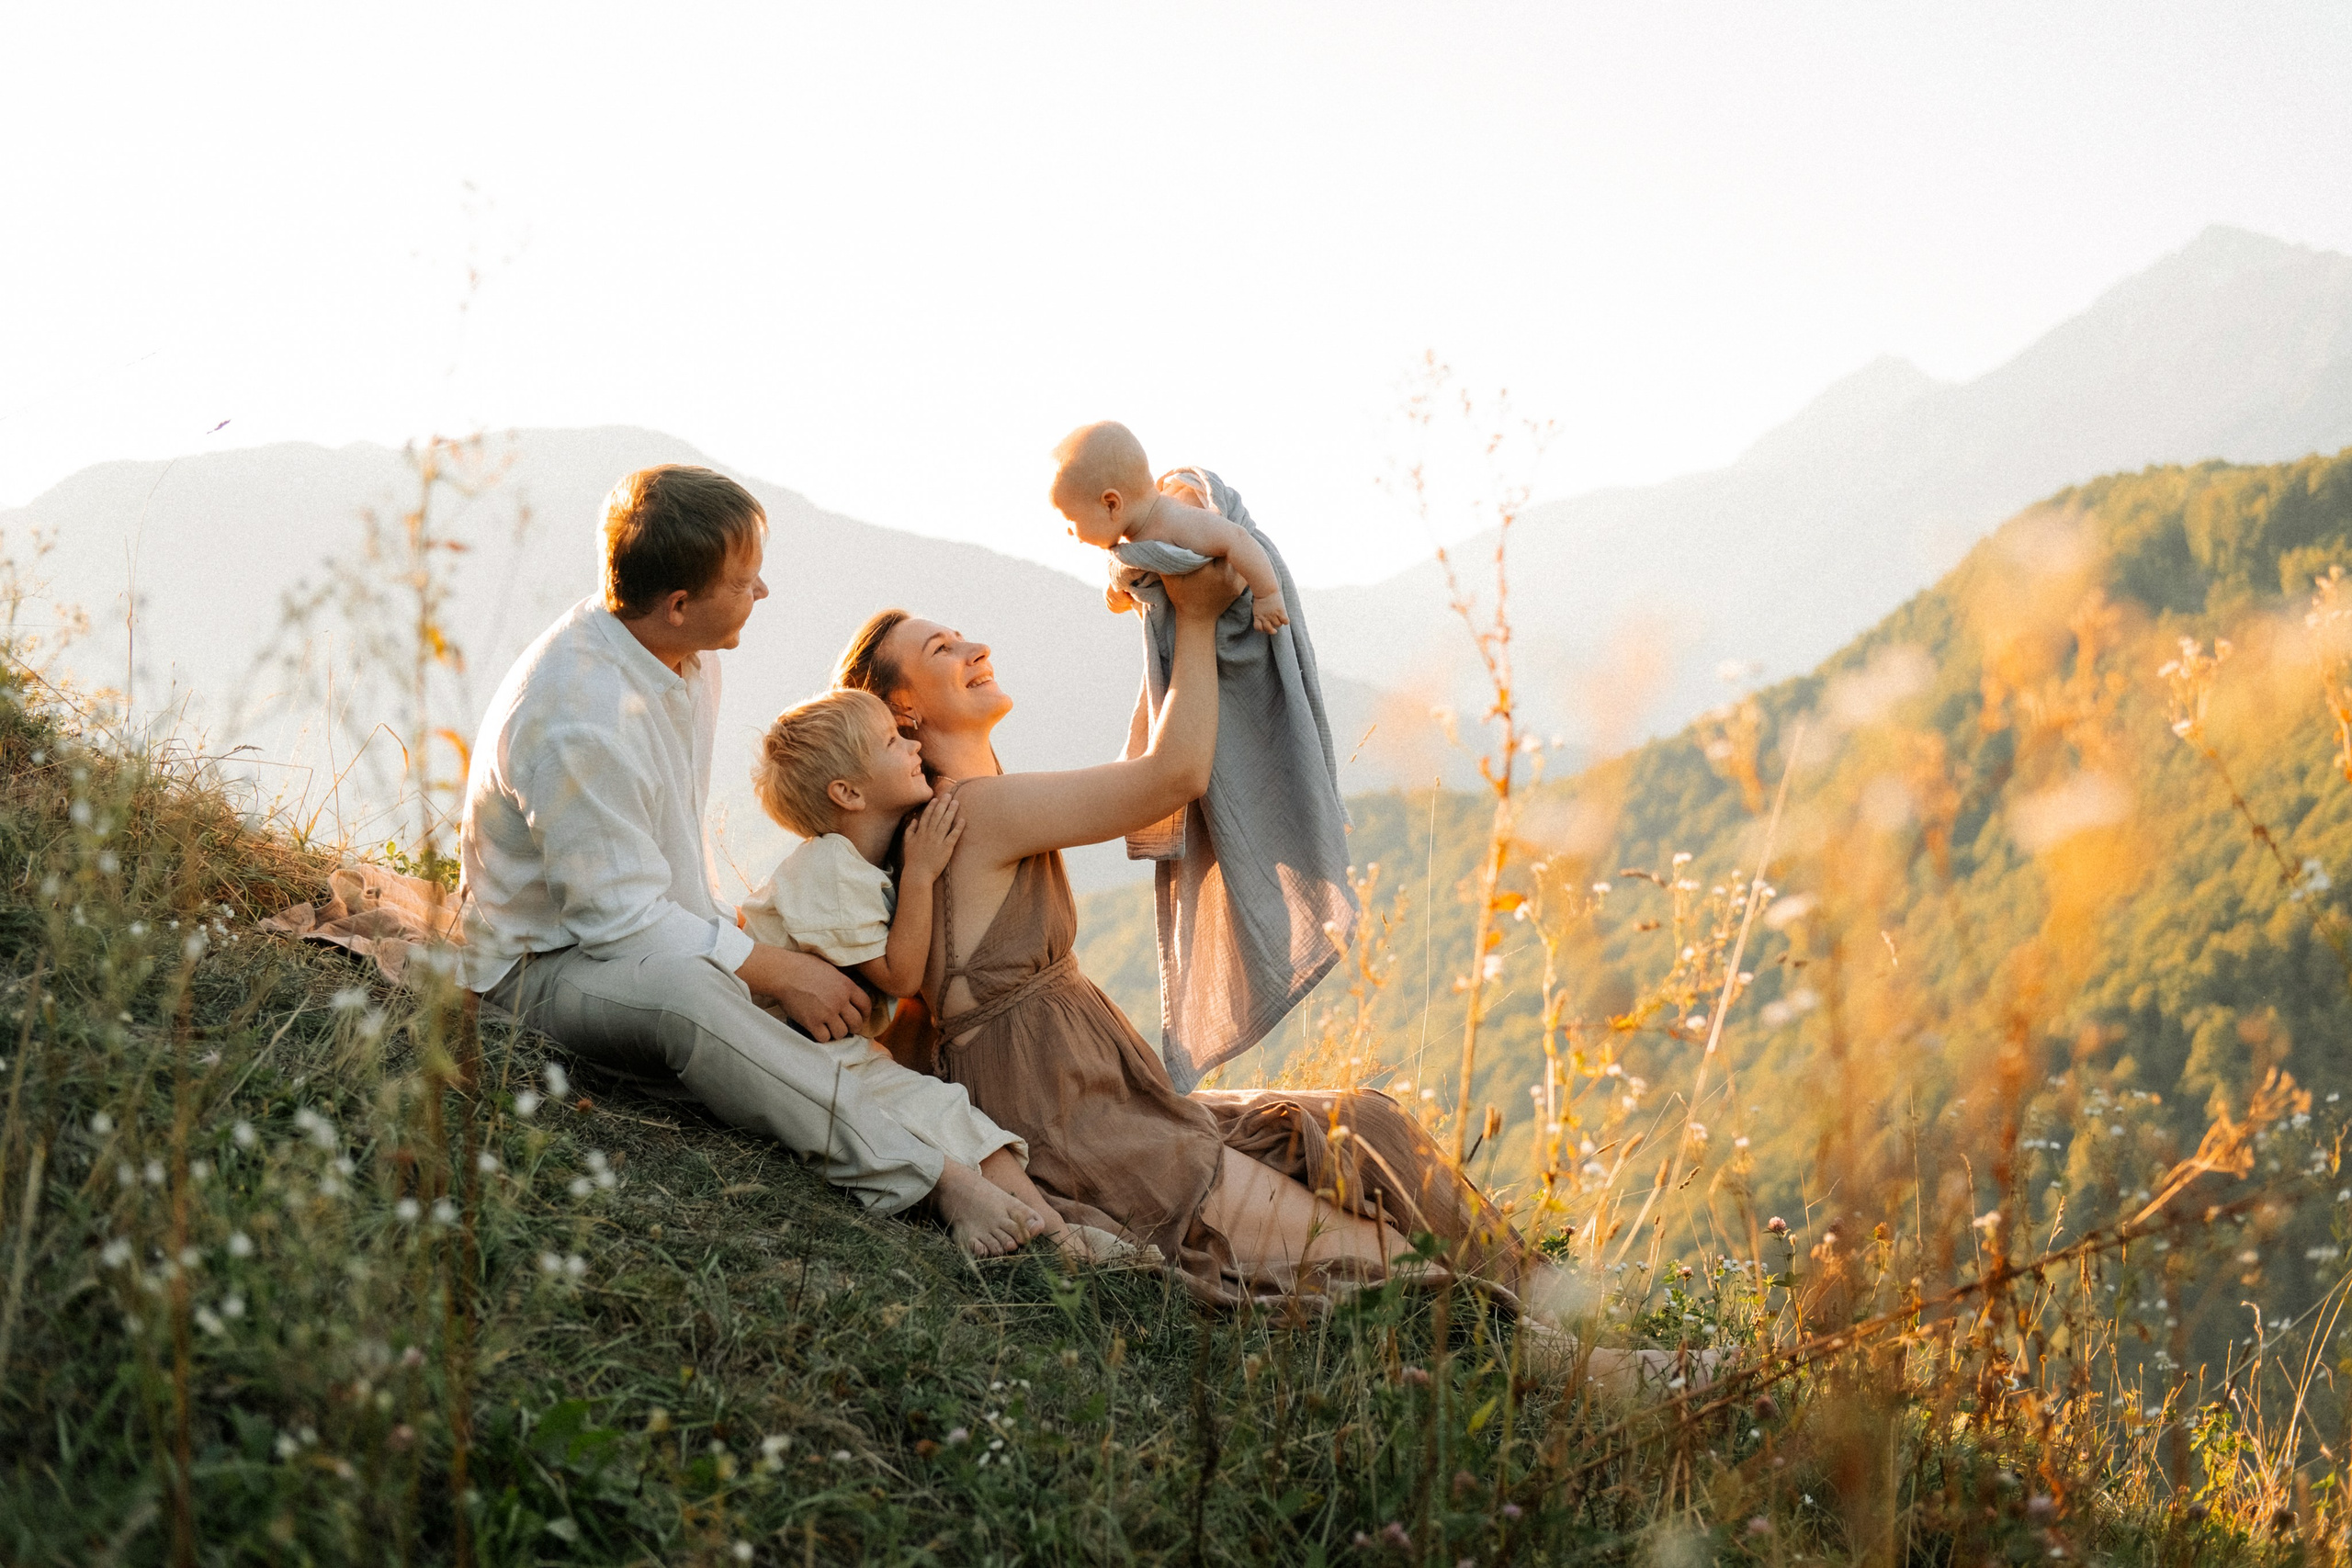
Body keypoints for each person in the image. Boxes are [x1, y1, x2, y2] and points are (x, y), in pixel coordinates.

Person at [831, 569, 1530, 1305]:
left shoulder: (949, 820)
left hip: (1090, 1094)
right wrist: (1193, 621)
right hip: (1072, 1114)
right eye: (943, 647)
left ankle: (1557, 1312)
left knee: (1361, 1124)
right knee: (1380, 1255)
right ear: (903, 708)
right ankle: (1566, 1340)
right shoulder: (978, 810)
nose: (976, 647)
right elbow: (1173, 776)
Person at [456, 463, 1057, 1258]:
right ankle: (935, 1179)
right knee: (689, 1002)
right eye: (743, 581)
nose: (763, 591)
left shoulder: (684, 656)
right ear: (678, 603)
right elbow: (615, 922)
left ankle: (1005, 1179)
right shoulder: (579, 720)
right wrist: (771, 969)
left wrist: (755, 958)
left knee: (766, 1011)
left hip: (656, 931)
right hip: (543, 966)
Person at [740, 688, 1139, 1263]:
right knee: (934, 1117)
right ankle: (1045, 1234)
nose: (913, 745)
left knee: (954, 1115)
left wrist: (943, 799)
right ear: (848, 793)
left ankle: (1053, 1229)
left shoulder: (867, 855)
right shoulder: (825, 866)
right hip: (796, 1053)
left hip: (841, 1051)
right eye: (891, 742)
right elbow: (900, 976)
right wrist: (923, 873)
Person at [1050, 421, 1289, 632]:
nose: (1069, 530)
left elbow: (1236, 538)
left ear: (1111, 504)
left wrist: (1267, 595)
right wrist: (1116, 589)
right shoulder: (1130, 541)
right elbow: (1129, 574)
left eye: (1071, 519)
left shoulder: (1177, 521)